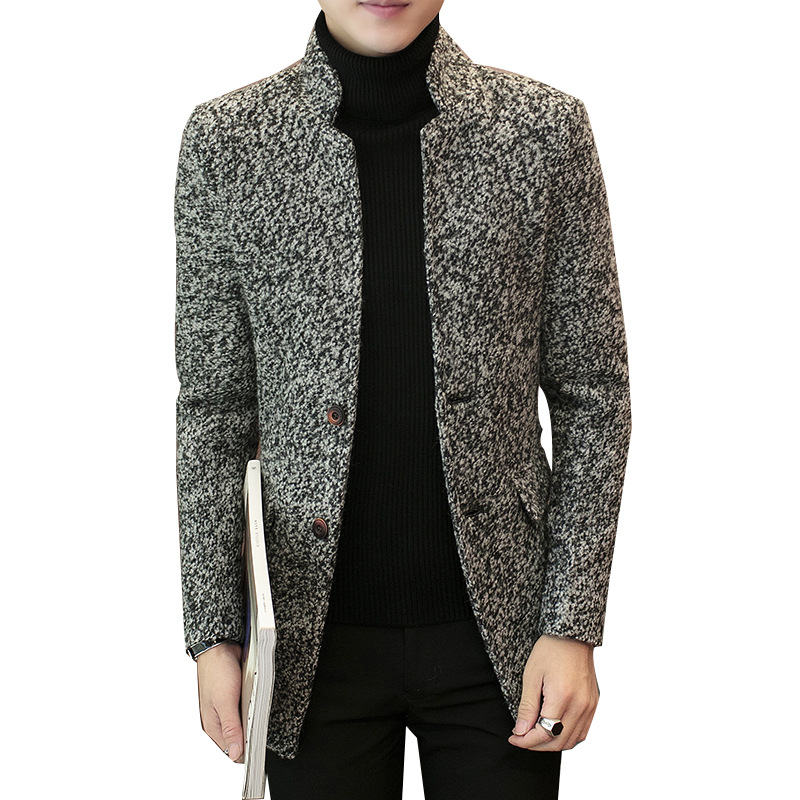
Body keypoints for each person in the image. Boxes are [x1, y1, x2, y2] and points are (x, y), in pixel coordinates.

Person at [173, 1, 632, 797]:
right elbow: (214, 410)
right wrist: (214, 633)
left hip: (505, 639)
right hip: (309, 648)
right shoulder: (228, 141)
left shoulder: (543, 130)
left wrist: (571, 622)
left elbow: (594, 392)